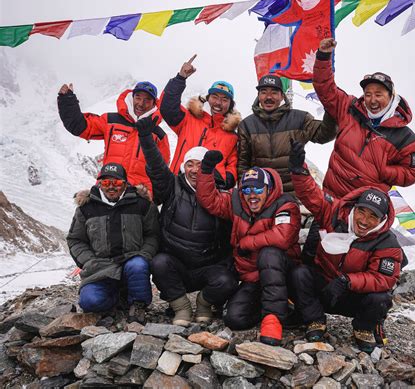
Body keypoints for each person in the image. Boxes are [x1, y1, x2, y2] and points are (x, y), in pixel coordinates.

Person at [288, 141, 404, 353]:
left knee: (381, 298)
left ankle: (363, 328)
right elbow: (311, 196)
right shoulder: (333, 214)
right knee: (299, 273)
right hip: (324, 287)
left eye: (373, 216)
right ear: (354, 207)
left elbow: (384, 279)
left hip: (352, 295)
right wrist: (298, 170)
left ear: (382, 220)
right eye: (362, 211)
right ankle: (315, 320)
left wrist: (347, 281)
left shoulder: (388, 243)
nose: (364, 220)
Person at [135, 116, 238, 326]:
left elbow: (230, 233)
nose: (193, 170)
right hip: (176, 263)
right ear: (183, 167)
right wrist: (146, 139)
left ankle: (203, 303)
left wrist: (227, 263)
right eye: (189, 164)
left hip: (208, 265)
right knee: (159, 263)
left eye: (199, 165)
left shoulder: (222, 194)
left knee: (226, 280)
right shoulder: (172, 186)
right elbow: (156, 167)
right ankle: (181, 307)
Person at [196, 151, 301, 346]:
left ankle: (273, 320)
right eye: (246, 189)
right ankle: (273, 309)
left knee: (269, 253)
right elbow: (210, 201)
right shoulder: (237, 202)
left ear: (268, 188)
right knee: (234, 319)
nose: (252, 194)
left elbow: (283, 236)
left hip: (282, 273)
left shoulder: (285, 204)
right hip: (251, 277)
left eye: (257, 189)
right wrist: (206, 171)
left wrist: (245, 243)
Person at [312, 38, 415, 198]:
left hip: (365, 209)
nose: (372, 100)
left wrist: (384, 171)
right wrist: (323, 56)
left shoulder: (406, 138)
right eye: (368, 94)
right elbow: (325, 88)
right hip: (331, 200)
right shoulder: (349, 108)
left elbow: (411, 173)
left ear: (391, 96)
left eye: (379, 94)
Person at [66, 162, 159, 323]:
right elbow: (75, 240)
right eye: (106, 182)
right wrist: (89, 261)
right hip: (100, 268)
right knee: (90, 302)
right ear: (99, 183)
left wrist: (144, 255)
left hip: (132, 262)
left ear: (124, 183)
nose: (111, 187)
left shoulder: (141, 204)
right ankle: (118, 300)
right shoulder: (86, 208)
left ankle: (138, 305)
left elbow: (153, 235)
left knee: (138, 265)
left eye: (116, 182)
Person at [57, 81, 170, 194]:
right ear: (132, 98)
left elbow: (161, 173)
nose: (141, 103)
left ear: (154, 104)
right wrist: (68, 102)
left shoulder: (159, 135)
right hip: (107, 190)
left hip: (139, 198)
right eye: (138, 97)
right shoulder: (111, 121)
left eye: (147, 100)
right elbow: (80, 127)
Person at [237, 74, 337, 195]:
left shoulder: (300, 118)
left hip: (293, 195)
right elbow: (242, 165)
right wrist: (243, 194)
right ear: (258, 96)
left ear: (282, 96)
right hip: (261, 195)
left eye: (274, 92)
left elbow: (324, 135)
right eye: (263, 92)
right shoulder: (246, 125)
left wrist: (331, 109)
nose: (268, 97)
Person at [160, 54, 240, 190]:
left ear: (230, 105)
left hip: (211, 191)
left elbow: (233, 165)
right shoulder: (188, 119)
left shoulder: (232, 135)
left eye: (224, 99)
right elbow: (167, 106)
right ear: (207, 98)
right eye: (215, 97)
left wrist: (226, 180)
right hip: (178, 185)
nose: (218, 103)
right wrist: (180, 78)